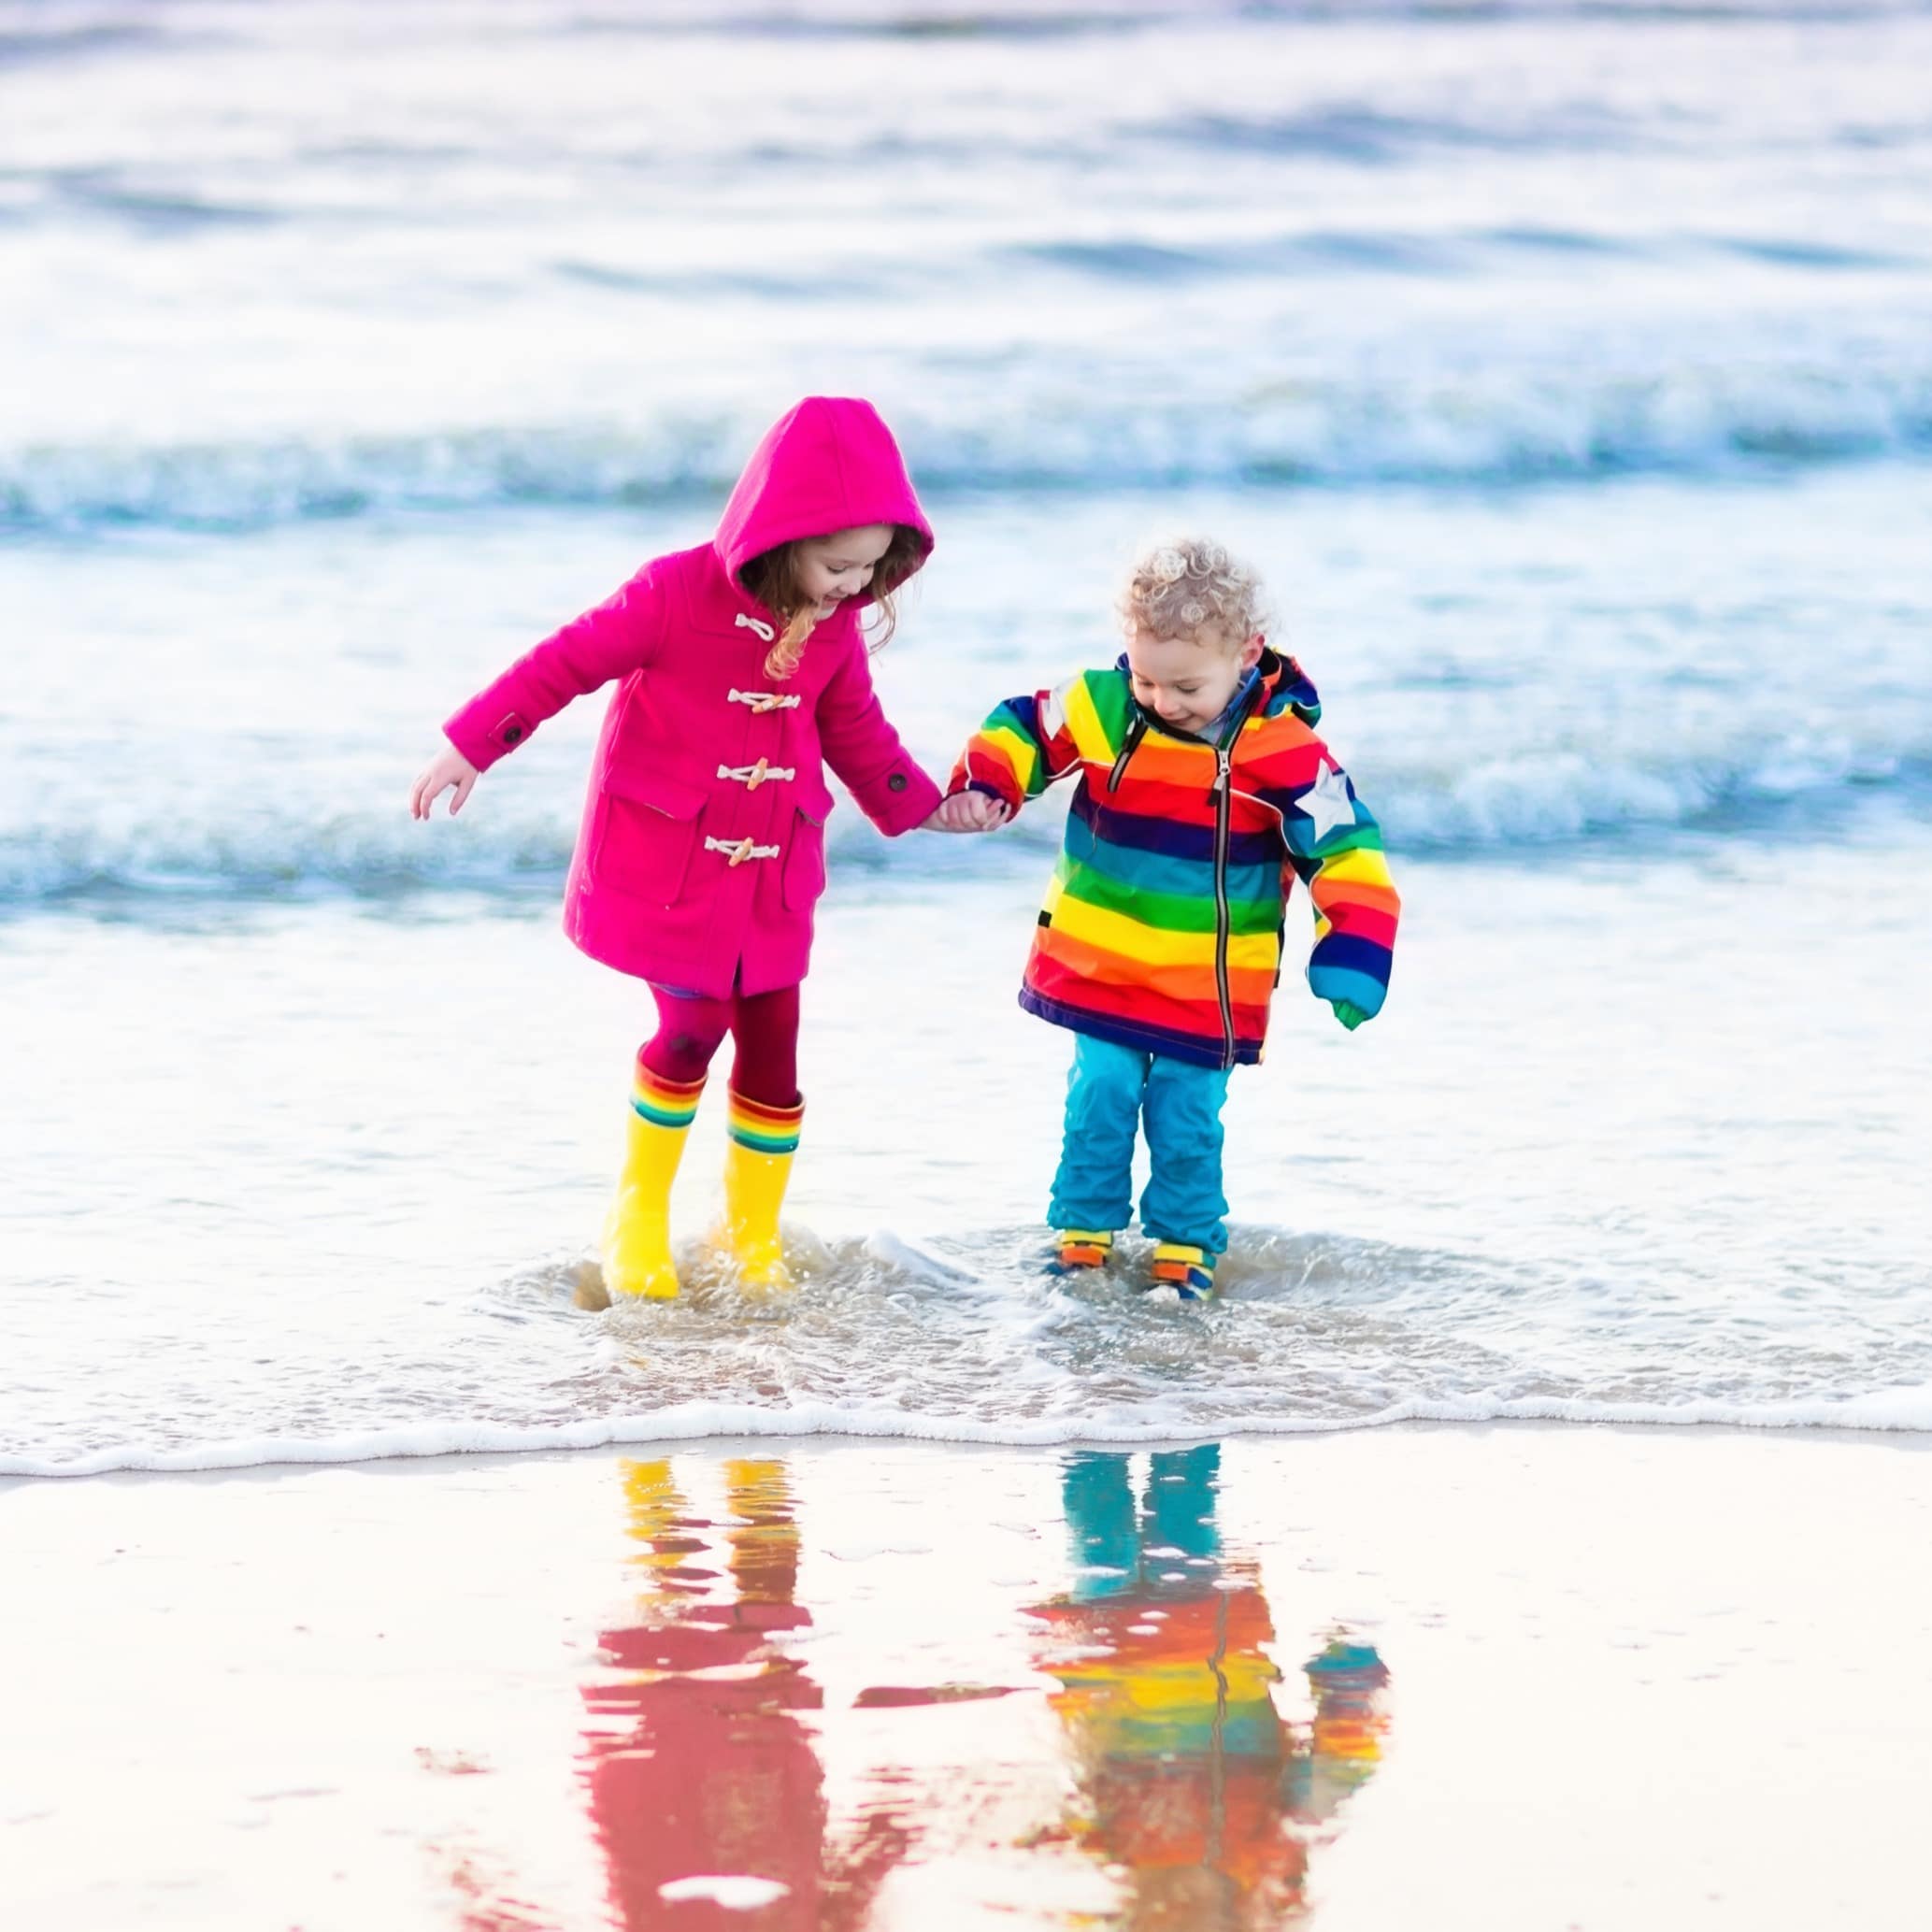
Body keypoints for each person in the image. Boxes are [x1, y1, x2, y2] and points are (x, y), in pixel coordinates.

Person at [409, 397, 983, 1298]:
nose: (851, 587)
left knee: (775, 1044)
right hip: (669, 865)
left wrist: (922, 806)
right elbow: (562, 662)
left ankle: (747, 1233)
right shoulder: (672, 593)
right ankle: (634, 1213)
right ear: (782, 535)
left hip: (771, 873)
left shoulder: (833, 626)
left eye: (871, 570)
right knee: (690, 1027)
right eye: (837, 565)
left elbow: (857, 731)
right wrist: (474, 742)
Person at [947, 536, 1400, 1301]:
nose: (1164, 701)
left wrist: (1353, 941)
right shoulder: (1107, 707)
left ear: (1247, 652)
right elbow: (1027, 724)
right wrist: (991, 781)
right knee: (1098, 1092)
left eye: (1186, 685)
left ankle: (1184, 1243)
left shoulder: (1284, 751)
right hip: (1104, 964)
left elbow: (1346, 848)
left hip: (1208, 986)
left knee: (1187, 1112)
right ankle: (1081, 1234)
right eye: (1149, 679)